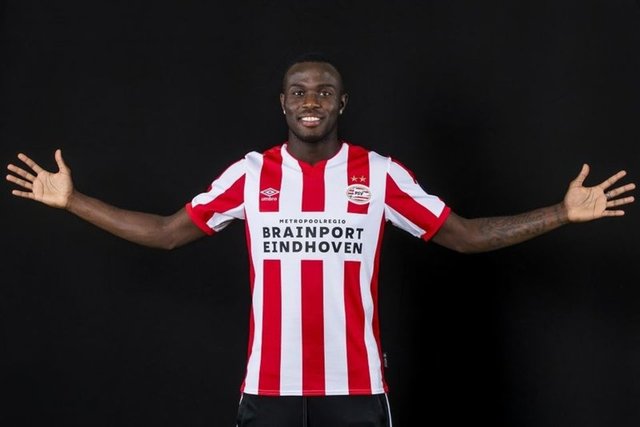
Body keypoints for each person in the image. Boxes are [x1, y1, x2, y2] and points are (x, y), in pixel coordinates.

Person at [6, 53, 636, 427]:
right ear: (283, 103)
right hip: (269, 391)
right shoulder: (250, 175)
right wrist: (73, 201)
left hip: (357, 393)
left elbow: (465, 236)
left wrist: (560, 213)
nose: (312, 101)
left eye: (325, 92)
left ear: (342, 103)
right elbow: (168, 234)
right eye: (300, 92)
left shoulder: (379, 175)